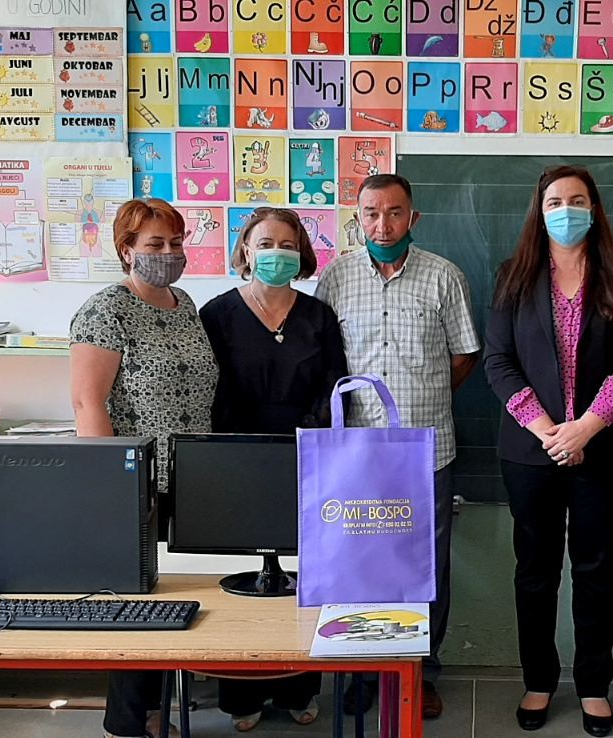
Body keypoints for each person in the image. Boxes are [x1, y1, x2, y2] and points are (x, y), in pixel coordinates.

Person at [483, 166, 613, 738]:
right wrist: (550, 430)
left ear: (595, 208)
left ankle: (594, 685)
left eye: (578, 200)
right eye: (555, 201)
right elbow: (498, 361)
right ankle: (539, 680)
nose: (566, 210)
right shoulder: (514, 274)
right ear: (540, 210)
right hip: (531, 451)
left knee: (597, 570)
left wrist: (589, 427)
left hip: (603, 447)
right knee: (535, 570)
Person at [314, 174, 481, 720]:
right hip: (355, 451)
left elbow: (465, 353)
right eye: (371, 213)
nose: (382, 224)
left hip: (426, 448)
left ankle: (420, 670)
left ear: (414, 217)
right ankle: (363, 668)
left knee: (426, 564)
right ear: (357, 218)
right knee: (360, 563)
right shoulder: (336, 277)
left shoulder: (444, 276)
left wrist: (425, 398)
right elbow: (323, 356)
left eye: (394, 212)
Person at [70, 198, 218, 738]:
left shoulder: (186, 303)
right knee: (139, 602)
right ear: (126, 250)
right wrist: (111, 485)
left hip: (193, 479)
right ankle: (132, 722)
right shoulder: (105, 310)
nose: (168, 253)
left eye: (176, 243)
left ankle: (165, 707)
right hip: (137, 481)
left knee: (182, 597)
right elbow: (88, 403)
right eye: (155, 244)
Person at [199, 207, 346, 731]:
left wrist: (310, 438)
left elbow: (335, 384)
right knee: (246, 577)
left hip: (306, 453)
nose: (276, 253)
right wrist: (235, 453)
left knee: (304, 574)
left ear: (301, 252)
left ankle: (300, 686)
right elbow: (208, 387)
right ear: (245, 249)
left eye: (287, 243)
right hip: (238, 455)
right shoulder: (217, 314)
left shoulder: (318, 315)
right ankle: (243, 694)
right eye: (265, 243)